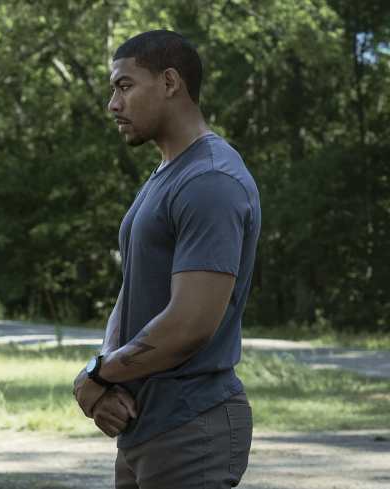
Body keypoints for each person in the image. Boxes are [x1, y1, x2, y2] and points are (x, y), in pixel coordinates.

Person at [73, 30, 260, 488]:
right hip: (146, 425)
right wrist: (106, 371)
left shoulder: (210, 179)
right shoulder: (169, 172)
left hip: (191, 427)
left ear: (170, 82)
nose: (113, 104)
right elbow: (134, 285)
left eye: (124, 86)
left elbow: (190, 324)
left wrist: (96, 376)